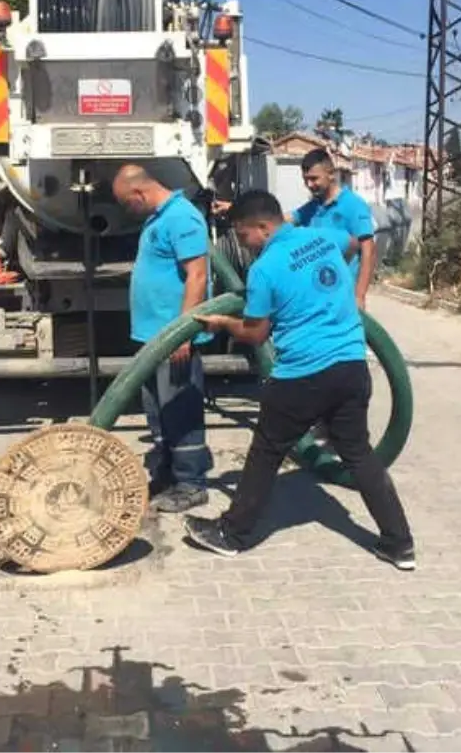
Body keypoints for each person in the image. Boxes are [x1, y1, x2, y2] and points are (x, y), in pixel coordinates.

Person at [183, 189, 415, 570]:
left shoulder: (265, 269)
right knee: (359, 455)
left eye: (243, 236)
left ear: (262, 227)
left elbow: (256, 334)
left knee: (265, 453)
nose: (242, 244)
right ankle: (399, 544)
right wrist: (326, 284)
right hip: (352, 366)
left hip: (302, 376)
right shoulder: (320, 238)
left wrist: (223, 322)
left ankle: (232, 534)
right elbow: (354, 243)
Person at [113, 164, 213, 513]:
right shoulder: (157, 218)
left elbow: (197, 277)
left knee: (181, 410)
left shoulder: (182, 218)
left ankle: (192, 484)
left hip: (173, 339)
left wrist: (182, 333)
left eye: (127, 203)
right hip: (152, 338)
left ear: (139, 193)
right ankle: (168, 473)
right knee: (158, 410)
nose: (127, 210)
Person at [291, 148, 377, 310]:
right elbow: (283, 220)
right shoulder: (314, 207)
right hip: (317, 294)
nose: (309, 185)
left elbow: (369, 250)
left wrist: (359, 295)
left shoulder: (353, 205)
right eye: (305, 180)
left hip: (343, 296)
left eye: (314, 179)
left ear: (331, 174)